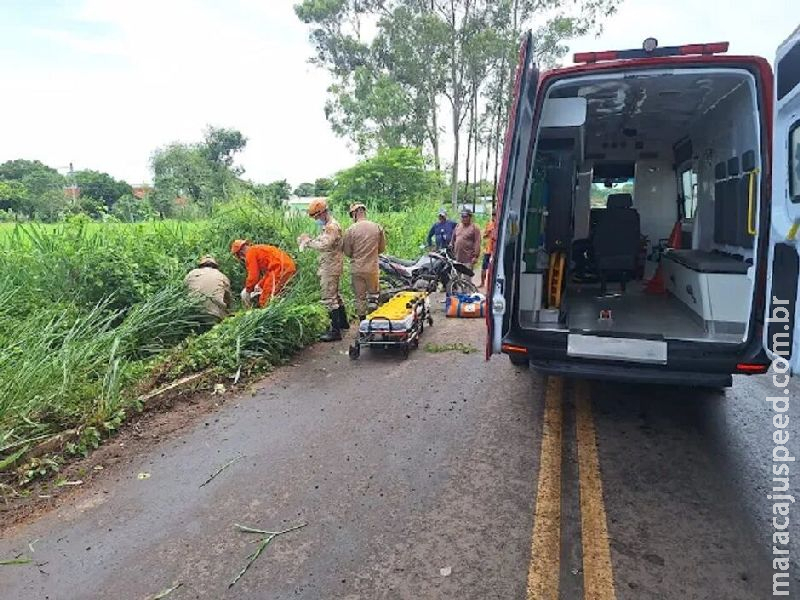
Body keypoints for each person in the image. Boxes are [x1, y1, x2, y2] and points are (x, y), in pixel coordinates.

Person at [297, 198, 346, 342]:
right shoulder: (328, 226)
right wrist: (310, 240)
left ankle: (335, 331)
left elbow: (324, 245)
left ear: (324, 213)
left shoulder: (332, 227)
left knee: (328, 298)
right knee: (335, 295)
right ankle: (343, 324)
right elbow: (323, 240)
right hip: (331, 264)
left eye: (317, 217)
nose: (316, 220)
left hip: (331, 266)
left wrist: (308, 242)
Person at [343, 202, 386, 321]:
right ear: (364, 212)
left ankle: (363, 324)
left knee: (359, 297)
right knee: (373, 295)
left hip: (357, 268)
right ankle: (375, 323)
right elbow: (382, 248)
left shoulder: (350, 230)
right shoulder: (377, 227)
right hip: (372, 267)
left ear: (355, 214)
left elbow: (347, 251)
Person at [230, 239, 296, 308]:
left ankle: (271, 316)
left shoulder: (250, 253)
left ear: (240, 253)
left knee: (265, 300)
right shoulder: (258, 249)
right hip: (287, 267)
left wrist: (248, 290)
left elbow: (253, 276)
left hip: (280, 269)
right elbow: (269, 272)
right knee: (279, 293)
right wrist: (260, 285)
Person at [184, 255, 231, 320]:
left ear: (201, 265)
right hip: (214, 314)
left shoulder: (192, 273)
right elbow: (228, 299)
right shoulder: (222, 276)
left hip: (193, 312)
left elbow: (184, 290)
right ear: (215, 265)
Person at [480, 208, 496, 289]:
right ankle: (482, 283)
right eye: (493, 215)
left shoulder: (500, 224)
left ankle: (491, 284)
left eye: (495, 215)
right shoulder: (489, 224)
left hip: (495, 251)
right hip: (488, 249)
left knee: (493, 268)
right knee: (484, 267)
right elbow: (484, 236)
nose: (494, 217)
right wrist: (488, 233)